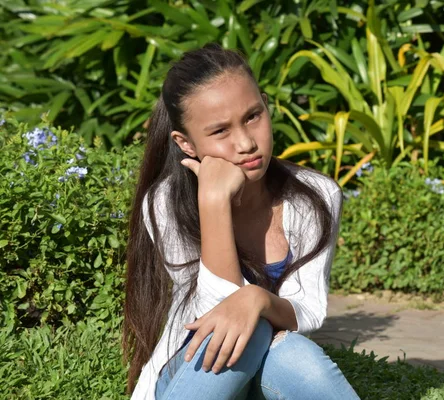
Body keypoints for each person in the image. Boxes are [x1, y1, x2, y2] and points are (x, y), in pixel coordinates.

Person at [122, 43, 360, 400]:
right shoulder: (166, 203)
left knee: (294, 355)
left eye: (253, 116)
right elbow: (220, 318)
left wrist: (256, 301)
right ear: (186, 144)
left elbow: (307, 311)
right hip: (193, 370)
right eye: (220, 132)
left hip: (269, 372)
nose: (246, 142)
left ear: (266, 104)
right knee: (251, 334)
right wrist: (214, 202)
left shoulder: (316, 196)